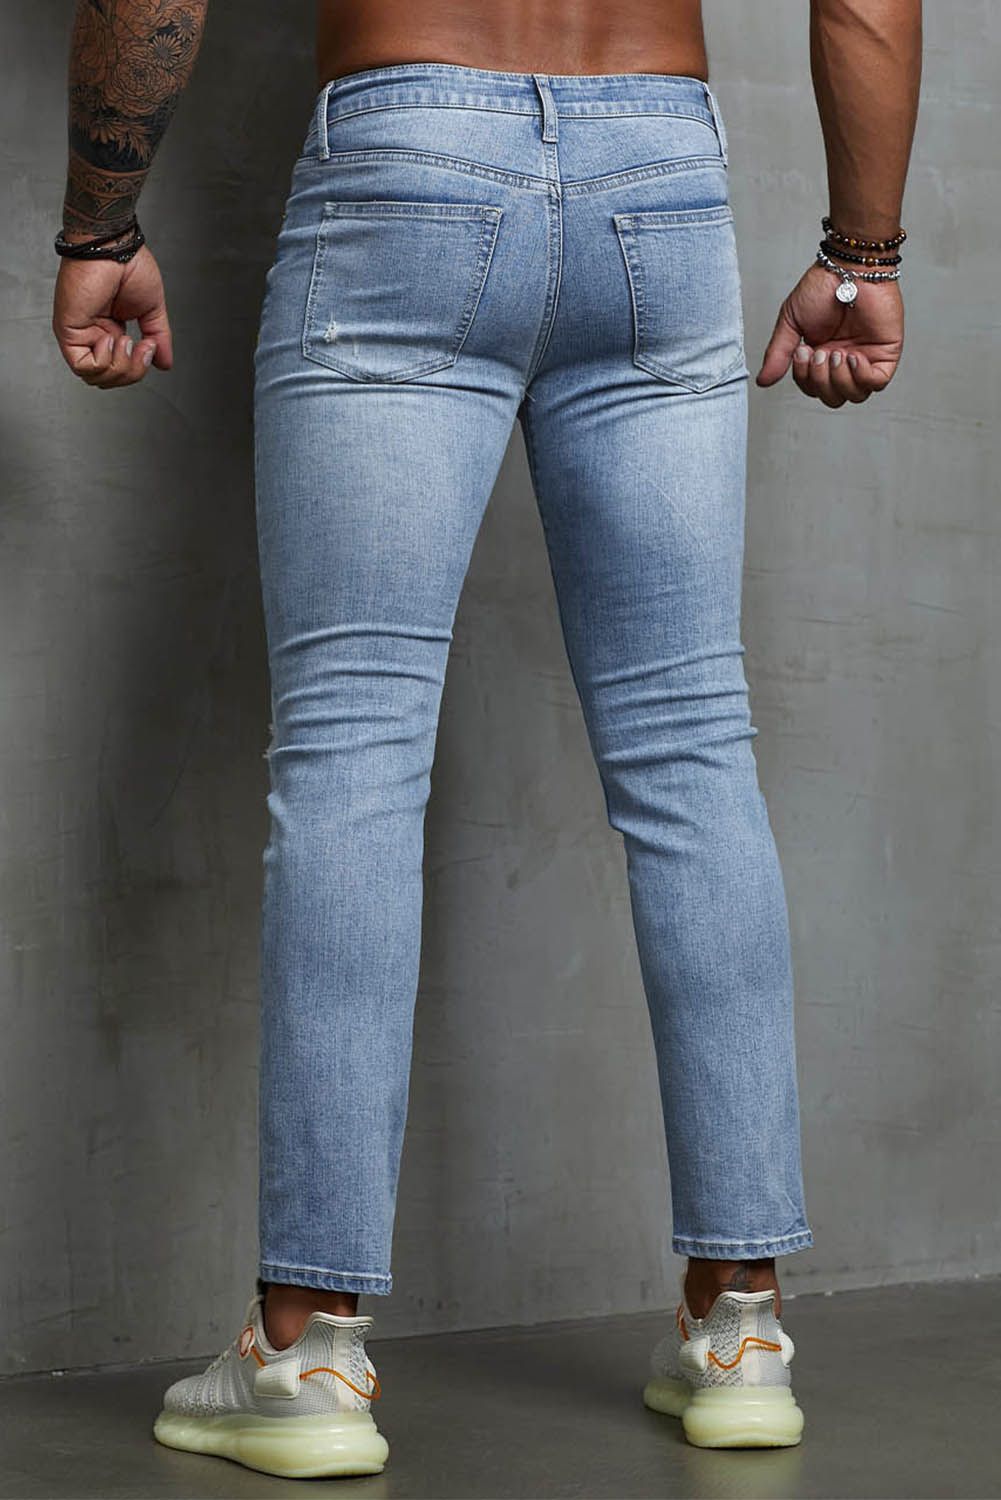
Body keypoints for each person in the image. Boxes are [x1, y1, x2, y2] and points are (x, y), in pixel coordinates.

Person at [51, 0, 921, 1479]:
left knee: (352, 756)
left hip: (405, 159)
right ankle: (740, 1331)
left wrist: (100, 222)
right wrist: (864, 254)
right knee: (690, 749)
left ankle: (308, 1355)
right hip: (657, 166)